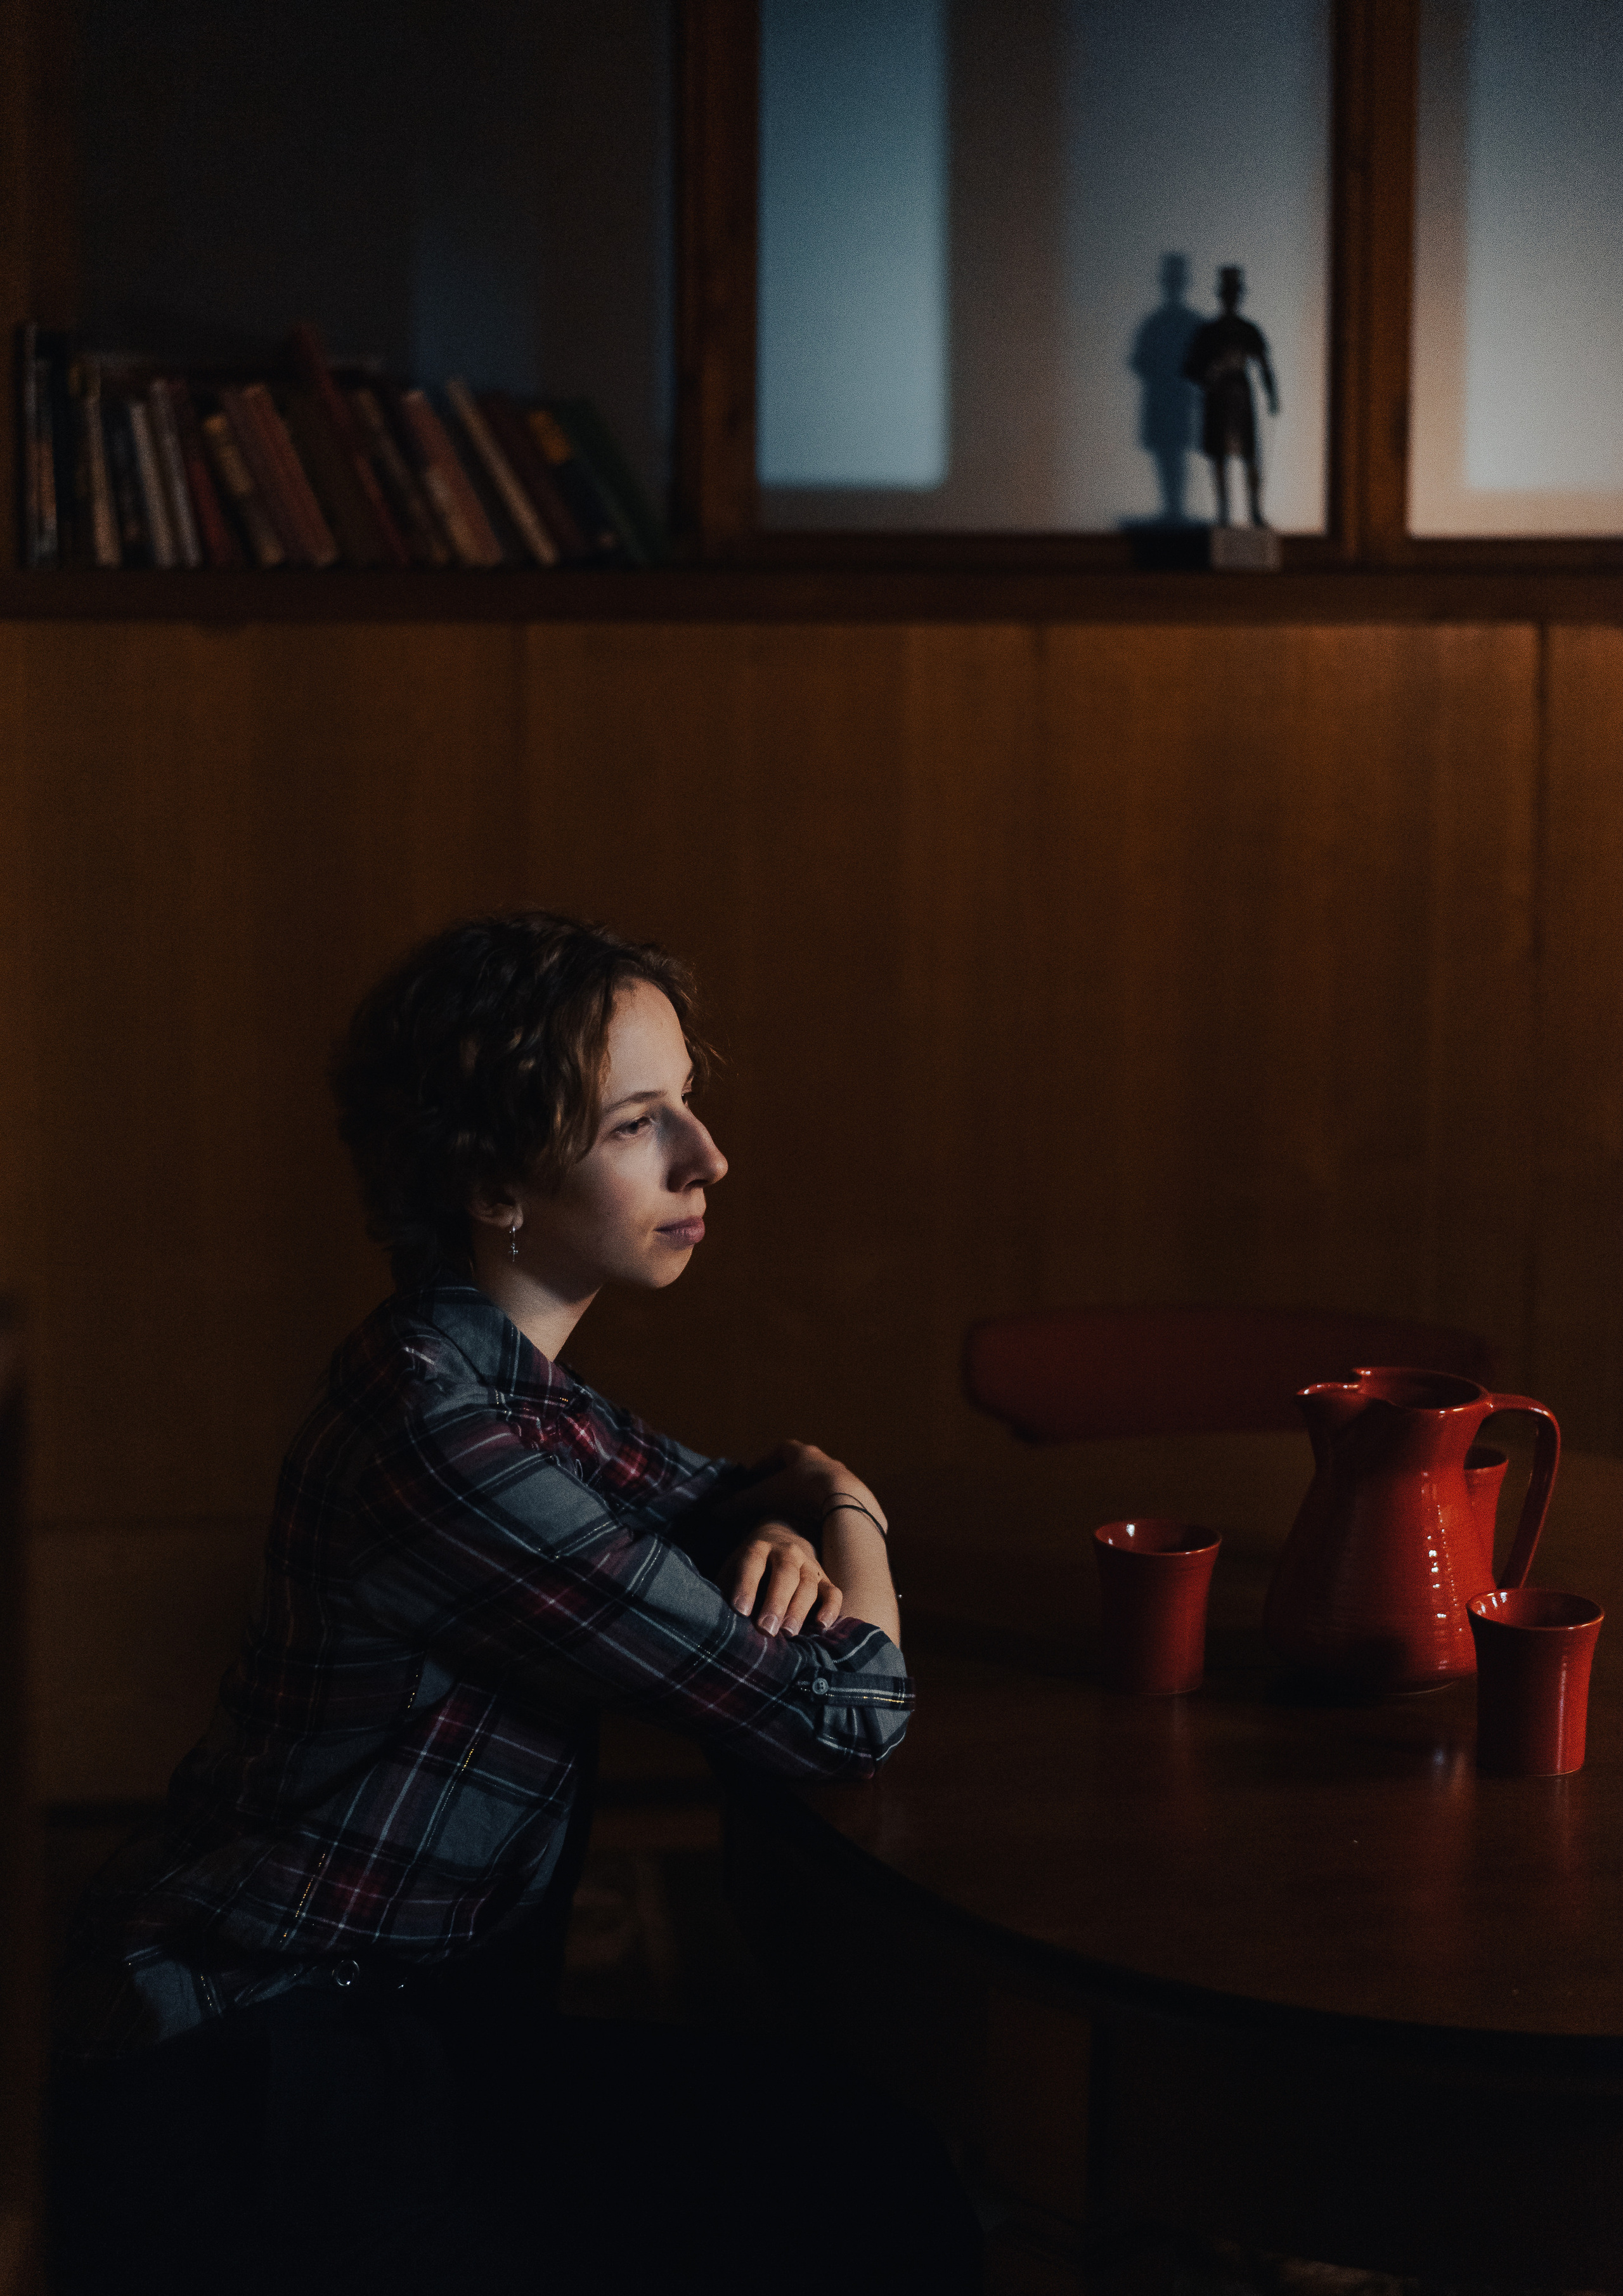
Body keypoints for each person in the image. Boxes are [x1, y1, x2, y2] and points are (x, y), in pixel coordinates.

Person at [49, 911, 981, 2295]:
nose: (705, 1157)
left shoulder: (497, 1384)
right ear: (495, 1183)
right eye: (637, 1124)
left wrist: (779, 1508)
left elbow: (719, 1493)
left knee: (871, 2162)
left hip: (408, 2028)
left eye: (692, 1107)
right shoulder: (444, 1435)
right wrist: (845, 1501)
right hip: (254, 2077)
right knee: (857, 2202)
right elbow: (847, 1712)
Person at [1181, 264, 1279, 528]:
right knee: (1220, 458)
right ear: (1223, 297)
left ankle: (1255, 511)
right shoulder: (1209, 332)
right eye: (1229, 294)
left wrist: (1272, 397)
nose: (1232, 299)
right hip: (1218, 397)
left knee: (1250, 456)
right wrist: (1211, 372)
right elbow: (1190, 369)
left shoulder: (1248, 330)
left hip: (1240, 396)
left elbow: (1264, 365)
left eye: (1235, 294)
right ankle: (1224, 514)